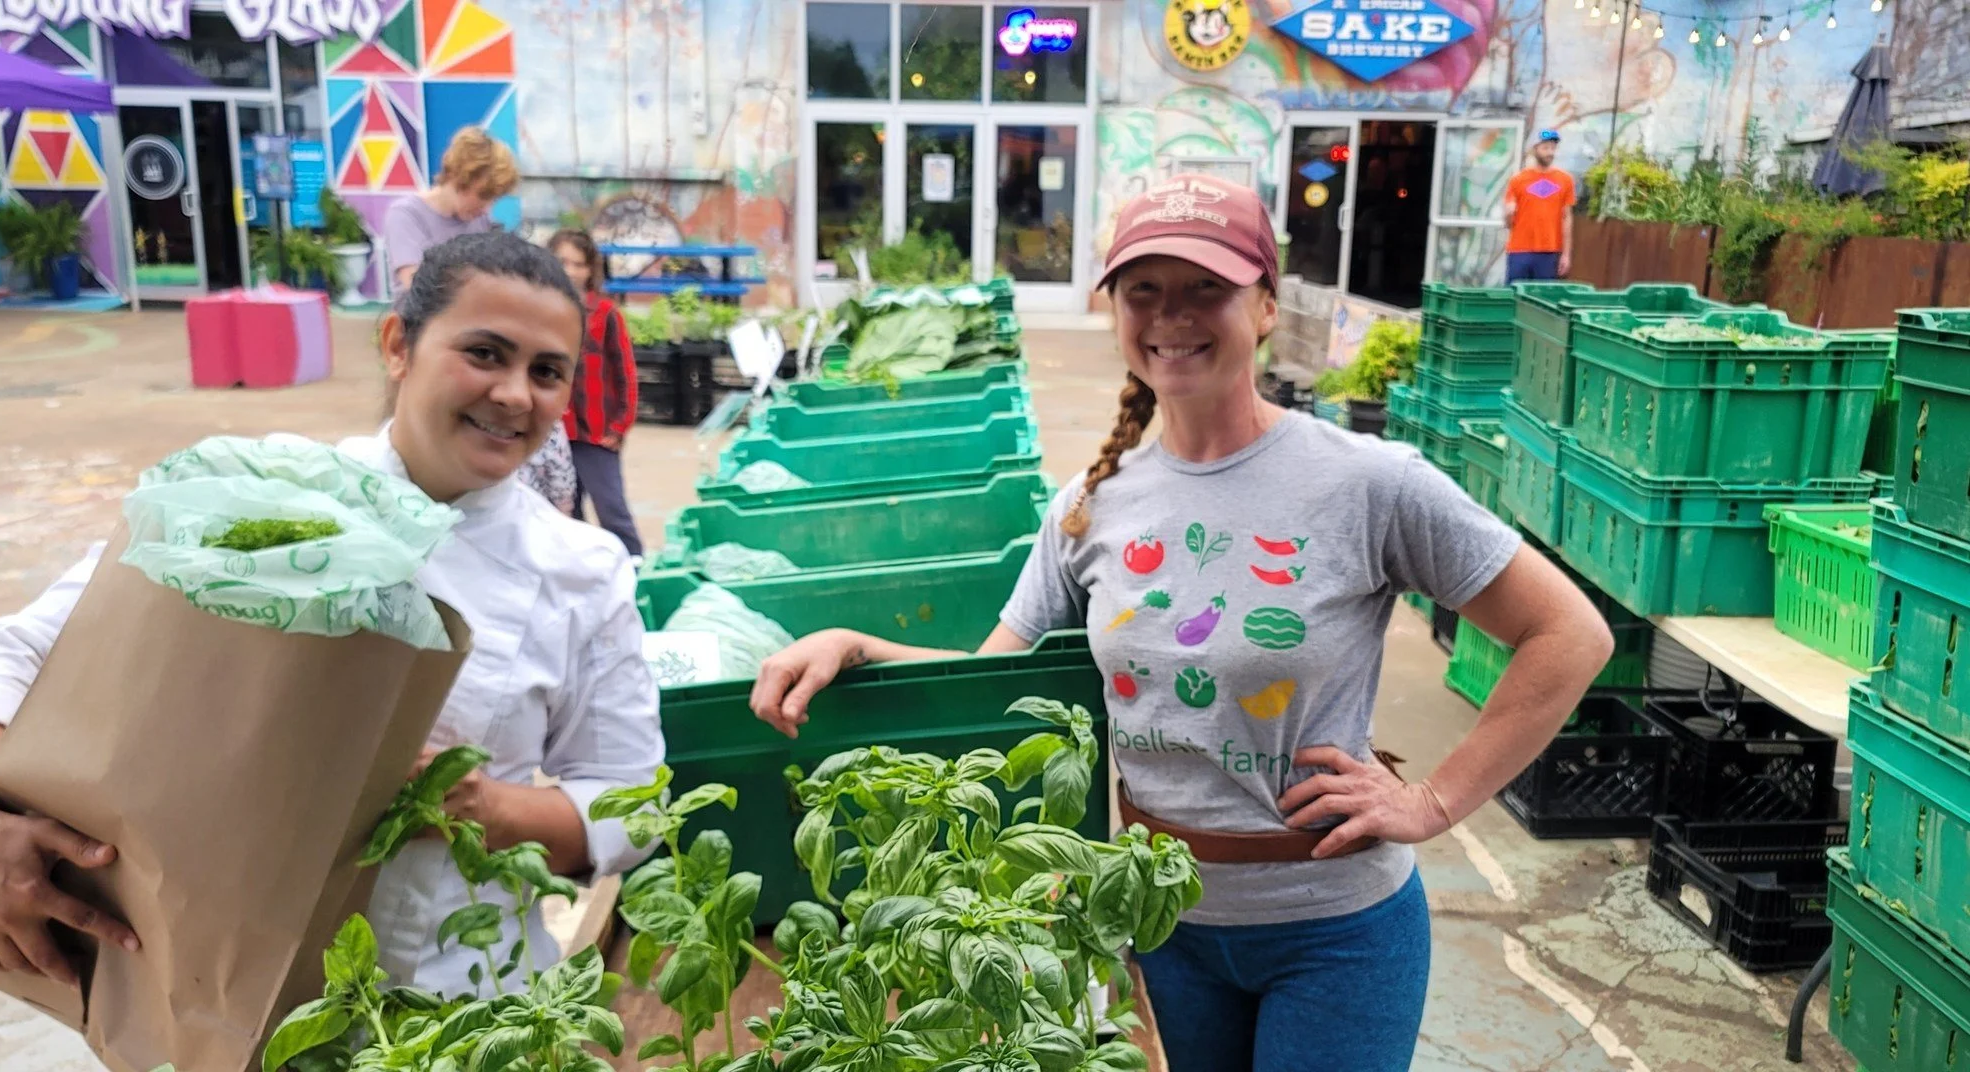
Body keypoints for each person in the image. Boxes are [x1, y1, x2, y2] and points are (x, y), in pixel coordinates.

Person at [748, 175, 1616, 1072]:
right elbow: (993, 686)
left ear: (1267, 306)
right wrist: (853, 645)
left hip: (1335, 932)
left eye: (1208, 287)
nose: (1174, 315)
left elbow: (1568, 635)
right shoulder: (1089, 507)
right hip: (1160, 927)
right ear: (1116, 311)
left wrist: (1431, 801)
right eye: (1144, 290)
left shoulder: (1368, 483)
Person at [0, 232, 664, 997]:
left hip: (466, 1004)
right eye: (485, 353)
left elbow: (632, 805)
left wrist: (485, 807)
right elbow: (18, 652)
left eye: (547, 372)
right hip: (214, 980)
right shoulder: (266, 492)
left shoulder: (581, 572)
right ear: (398, 344)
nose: (515, 394)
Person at [545, 227, 643, 559]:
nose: (570, 271)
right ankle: (584, 575)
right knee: (565, 516)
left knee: (612, 509)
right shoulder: (542, 312)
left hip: (597, 434)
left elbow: (625, 373)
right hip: (554, 434)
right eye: (562, 262)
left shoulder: (605, 314)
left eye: (578, 263)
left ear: (590, 269)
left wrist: (620, 426)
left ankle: (635, 570)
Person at [383, 127, 520, 292]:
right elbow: (418, 289)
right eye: (483, 196)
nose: (487, 209)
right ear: (458, 177)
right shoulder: (407, 215)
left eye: (494, 199)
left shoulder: (482, 222)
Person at [1503, 129, 1577, 282]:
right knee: (1515, 297)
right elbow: (1508, 223)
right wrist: (1508, 214)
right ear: (1534, 149)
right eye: (1545, 148)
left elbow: (1567, 218)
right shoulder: (1517, 180)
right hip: (1519, 250)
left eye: (1552, 148)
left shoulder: (1565, 180)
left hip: (1550, 251)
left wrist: (1566, 254)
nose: (1550, 152)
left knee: (1543, 300)